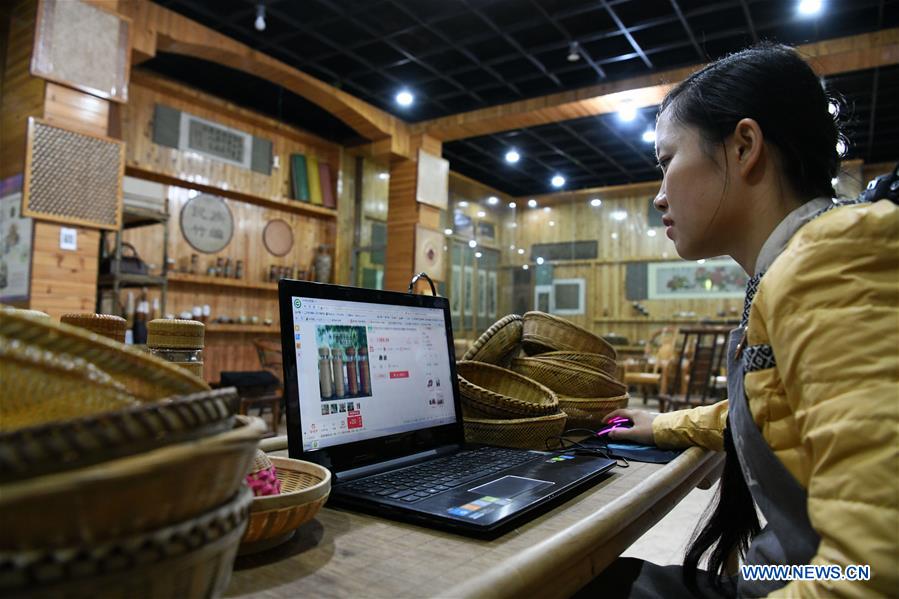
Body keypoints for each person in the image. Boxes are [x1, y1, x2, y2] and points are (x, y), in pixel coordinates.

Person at [581, 43, 898, 597]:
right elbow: (784, 403)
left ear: (744, 146)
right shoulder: (805, 257)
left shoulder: (828, 263)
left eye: (666, 161)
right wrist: (664, 425)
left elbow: (871, 572)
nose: (658, 196)